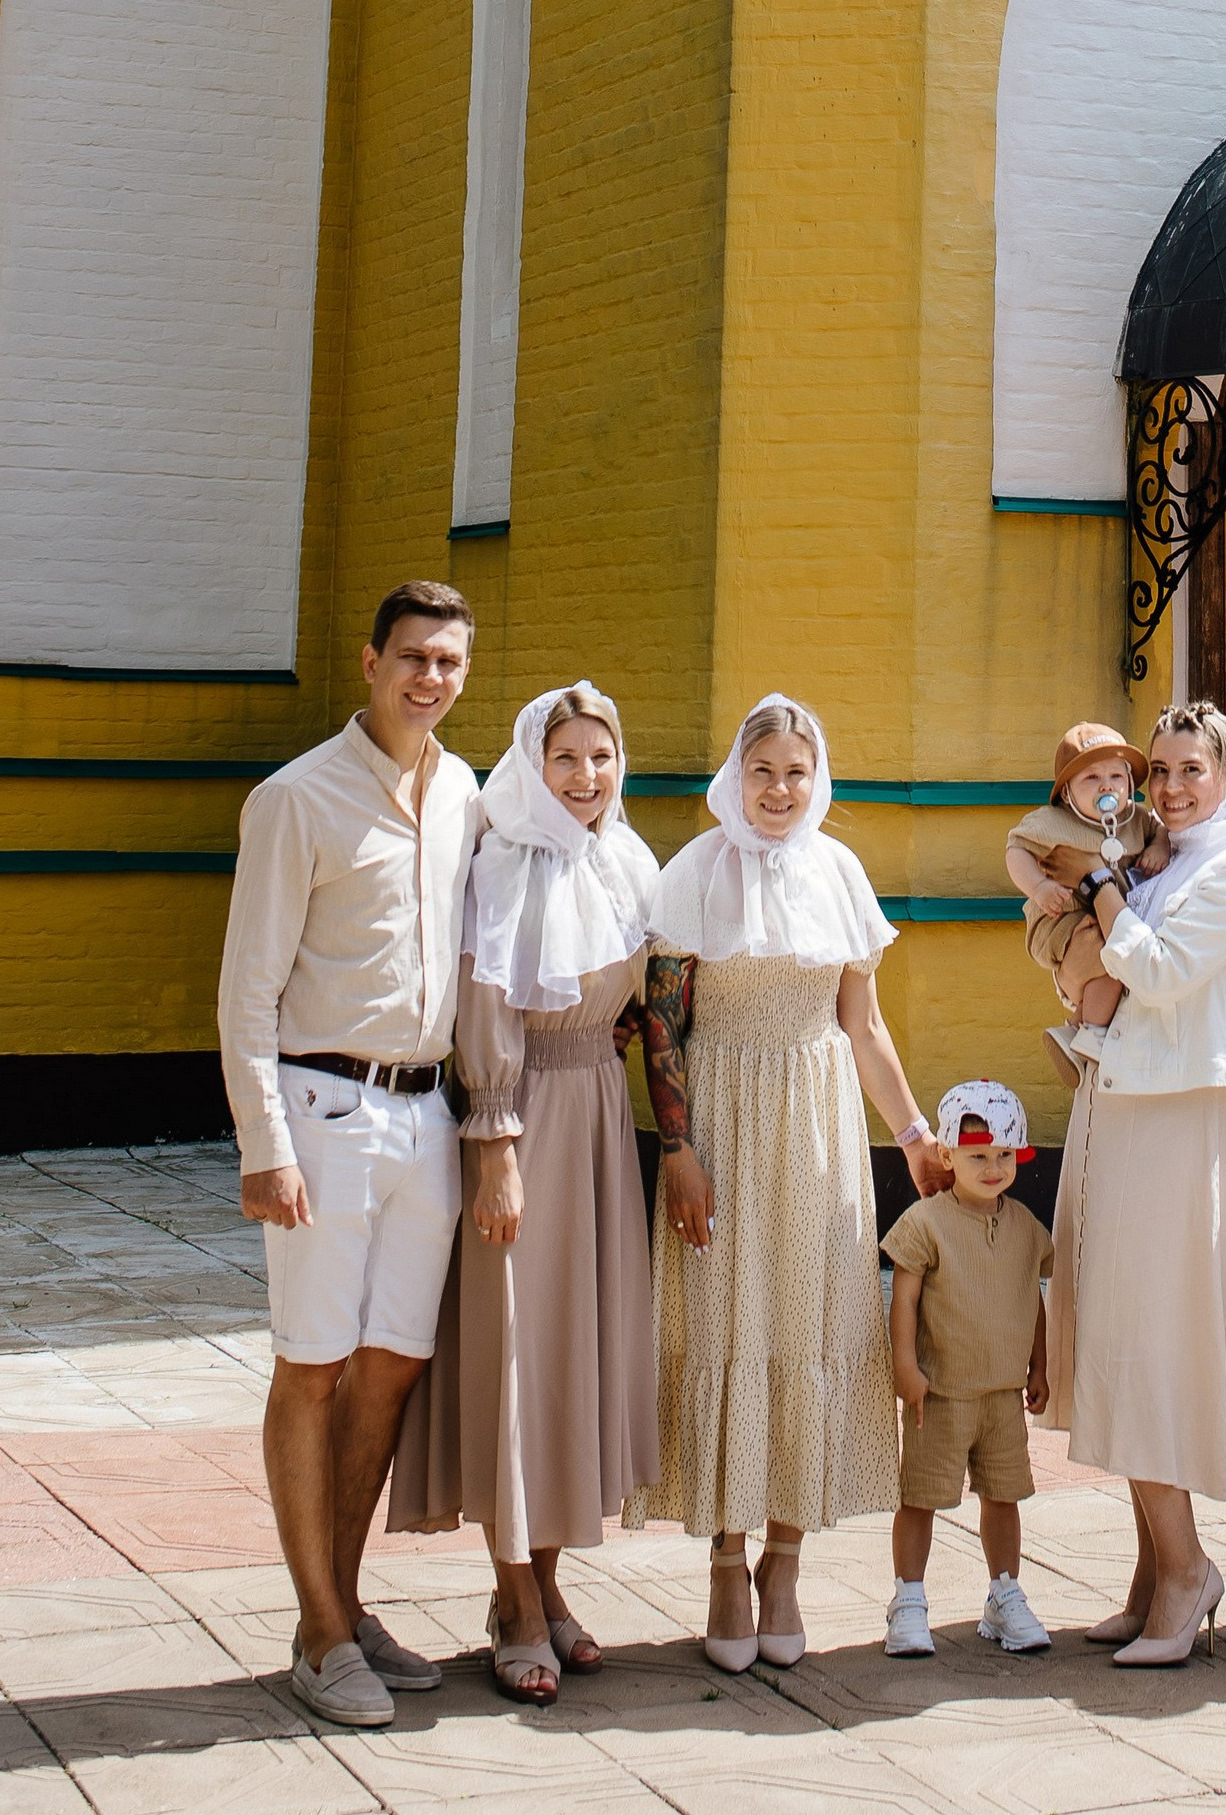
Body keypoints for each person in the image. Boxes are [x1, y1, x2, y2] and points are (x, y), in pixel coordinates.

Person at [216, 579, 483, 1729]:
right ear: (372, 663)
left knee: (390, 1366)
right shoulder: (296, 799)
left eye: (450, 662)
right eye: (413, 657)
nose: (431, 678)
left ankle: (343, 1603)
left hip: (428, 1118)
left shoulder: (465, 792)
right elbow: (247, 990)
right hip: (322, 1112)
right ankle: (320, 1634)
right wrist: (263, 1144)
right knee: (312, 1365)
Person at [633, 692, 943, 1670]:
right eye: (762, 771)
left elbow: (864, 1024)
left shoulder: (840, 873)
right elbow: (661, 1025)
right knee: (727, 1323)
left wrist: (914, 1134)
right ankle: (727, 1561)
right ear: (738, 775)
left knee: (809, 1323)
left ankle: (785, 1563)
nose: (778, 789)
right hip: (720, 1123)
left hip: (817, 1127)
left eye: (795, 773)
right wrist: (678, 1149)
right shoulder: (693, 873)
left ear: (818, 780)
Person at [386, 681, 661, 1700]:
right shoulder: (503, 861)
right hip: (525, 1118)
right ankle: (512, 1600)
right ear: (533, 765)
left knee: (570, 1352)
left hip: (597, 1116)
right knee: (516, 1349)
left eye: (601, 755)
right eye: (566, 758)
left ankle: (547, 1585)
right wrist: (495, 1139)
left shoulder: (628, 860)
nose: (586, 776)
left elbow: (637, 992)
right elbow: (487, 1006)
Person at [1045, 698, 1226, 1668]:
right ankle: (1152, 1573)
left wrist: (1102, 891)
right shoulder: (1169, 862)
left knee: (1149, 1342)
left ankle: (1188, 1572)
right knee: (1115, 1334)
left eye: (1194, 770)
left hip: (1181, 1119)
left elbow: (1155, 974)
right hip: (1122, 1103)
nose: (1174, 788)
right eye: (1162, 772)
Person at [882, 1078, 1054, 1661]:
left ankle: (1004, 1593)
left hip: (1003, 1395)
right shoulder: (926, 1222)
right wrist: (905, 1367)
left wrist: (1039, 1367)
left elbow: (1032, 1298)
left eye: (1005, 1155)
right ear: (948, 1156)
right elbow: (904, 1299)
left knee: (1004, 1496)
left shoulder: (1026, 1226)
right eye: (978, 1156)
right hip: (941, 1395)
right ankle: (908, 1599)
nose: (993, 1168)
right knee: (921, 1497)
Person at [1006, 722, 1170, 1058]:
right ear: (1066, 792)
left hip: (1107, 918)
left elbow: (1162, 831)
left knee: (1117, 954)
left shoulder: (1136, 820)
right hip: (1062, 918)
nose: (1106, 786)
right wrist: (1039, 886)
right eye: (1091, 778)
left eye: (1116, 776)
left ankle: (1075, 1029)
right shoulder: (1052, 822)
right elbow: (1016, 850)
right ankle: (1091, 1038)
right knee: (1110, 954)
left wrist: (1159, 847)